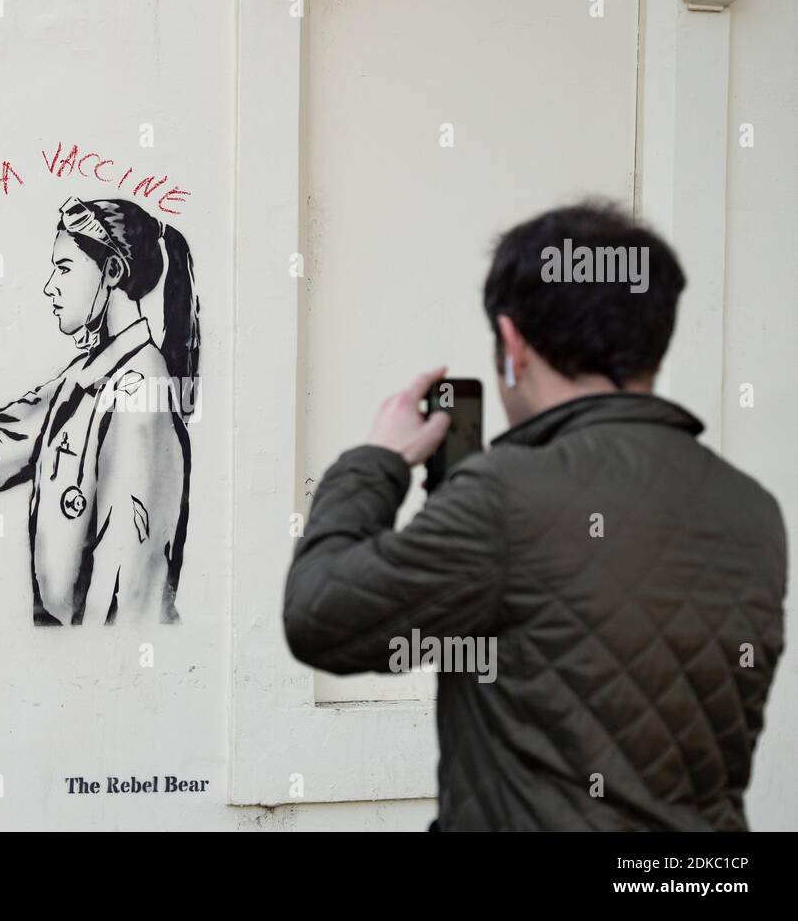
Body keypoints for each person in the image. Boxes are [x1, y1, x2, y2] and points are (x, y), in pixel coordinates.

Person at [283, 203, 787, 830]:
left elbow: (318, 617)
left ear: (512, 343)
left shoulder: (506, 496)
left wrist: (376, 461)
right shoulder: (751, 508)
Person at [0, 197, 199, 626]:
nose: (50, 285)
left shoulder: (139, 394)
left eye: (64, 268)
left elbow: (128, 607)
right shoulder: (79, 383)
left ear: (112, 271)